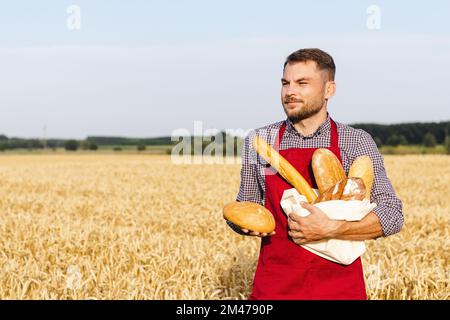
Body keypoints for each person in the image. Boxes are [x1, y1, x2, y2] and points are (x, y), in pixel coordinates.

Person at [226, 48, 403, 300]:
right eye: (285, 83)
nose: (290, 92)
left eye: (302, 83)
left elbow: (392, 215)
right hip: (276, 287)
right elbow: (247, 205)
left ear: (329, 89)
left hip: (339, 289)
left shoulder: (355, 141)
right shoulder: (260, 141)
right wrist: (241, 224)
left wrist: (332, 228)